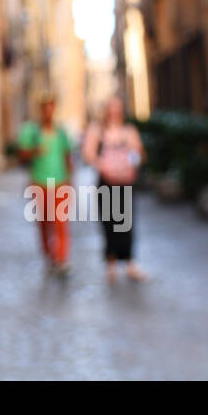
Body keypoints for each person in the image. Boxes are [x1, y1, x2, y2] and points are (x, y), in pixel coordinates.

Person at [82, 97, 148, 283]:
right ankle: (111, 261)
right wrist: (104, 166)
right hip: (107, 183)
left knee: (126, 222)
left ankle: (129, 261)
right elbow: (89, 154)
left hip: (125, 182)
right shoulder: (98, 130)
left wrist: (130, 166)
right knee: (109, 221)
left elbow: (138, 153)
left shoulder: (128, 131)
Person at [17, 92, 74, 274]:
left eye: (51, 107)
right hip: (39, 183)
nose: (48, 111)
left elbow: (67, 156)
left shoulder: (61, 131)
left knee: (60, 222)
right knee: (44, 222)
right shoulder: (32, 131)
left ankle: (61, 258)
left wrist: (69, 181)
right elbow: (22, 155)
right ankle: (49, 254)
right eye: (45, 107)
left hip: (59, 183)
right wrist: (35, 151)